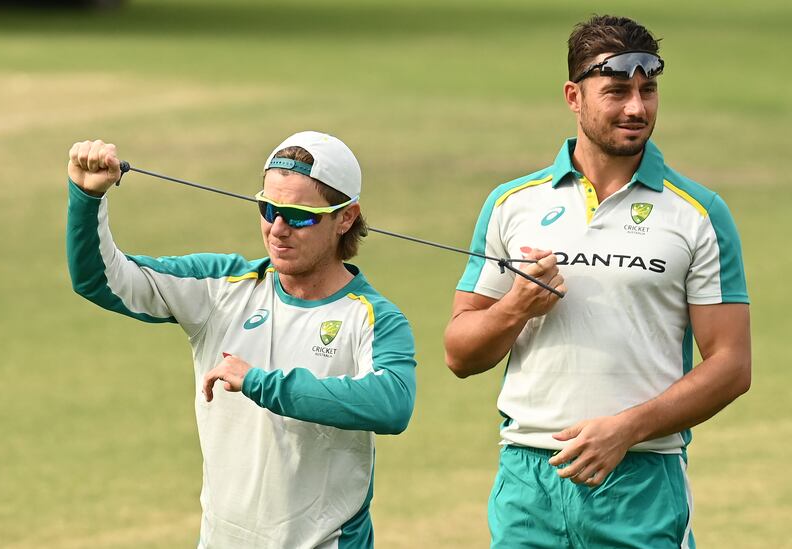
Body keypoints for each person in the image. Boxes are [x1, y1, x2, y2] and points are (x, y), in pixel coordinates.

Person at [443, 14, 750, 549]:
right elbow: (460, 354)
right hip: (527, 479)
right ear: (573, 96)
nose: (637, 108)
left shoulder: (699, 214)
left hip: (640, 479)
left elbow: (731, 365)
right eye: (616, 91)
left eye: (648, 90)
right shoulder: (512, 204)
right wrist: (516, 306)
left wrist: (626, 429)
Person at [66, 131, 416, 548]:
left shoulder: (373, 318)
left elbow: (392, 404)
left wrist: (259, 383)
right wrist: (87, 200)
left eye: (298, 215)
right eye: (268, 208)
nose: (278, 228)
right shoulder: (220, 286)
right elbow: (100, 280)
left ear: (345, 217)